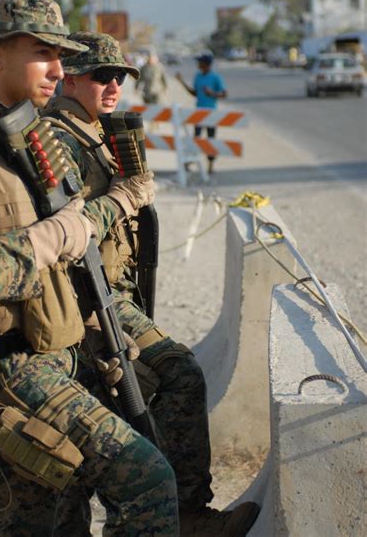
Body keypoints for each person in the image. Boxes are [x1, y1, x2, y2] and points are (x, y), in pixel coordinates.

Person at [0, 0, 182, 535]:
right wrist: (53, 238)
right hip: (2, 363)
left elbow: (74, 237)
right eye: (41, 53)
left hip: (52, 345)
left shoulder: (23, 135)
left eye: (59, 54)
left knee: (31, 512)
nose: (58, 68)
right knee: (145, 477)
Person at [43, 31, 259, 536]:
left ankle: (180, 514)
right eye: (102, 75)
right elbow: (63, 234)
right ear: (69, 77)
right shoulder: (55, 140)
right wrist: (122, 196)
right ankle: (183, 516)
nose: (114, 85)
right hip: (84, 301)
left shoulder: (92, 131)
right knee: (172, 382)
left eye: (120, 76)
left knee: (163, 389)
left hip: (111, 291)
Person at [176, 51, 227, 175]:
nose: (198, 64)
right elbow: (194, 93)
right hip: (198, 112)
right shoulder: (198, 76)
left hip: (211, 113)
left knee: (210, 139)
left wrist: (213, 94)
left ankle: (211, 165)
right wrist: (181, 82)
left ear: (206, 64)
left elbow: (224, 93)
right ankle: (190, 161)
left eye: (200, 62)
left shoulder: (215, 77)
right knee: (196, 138)